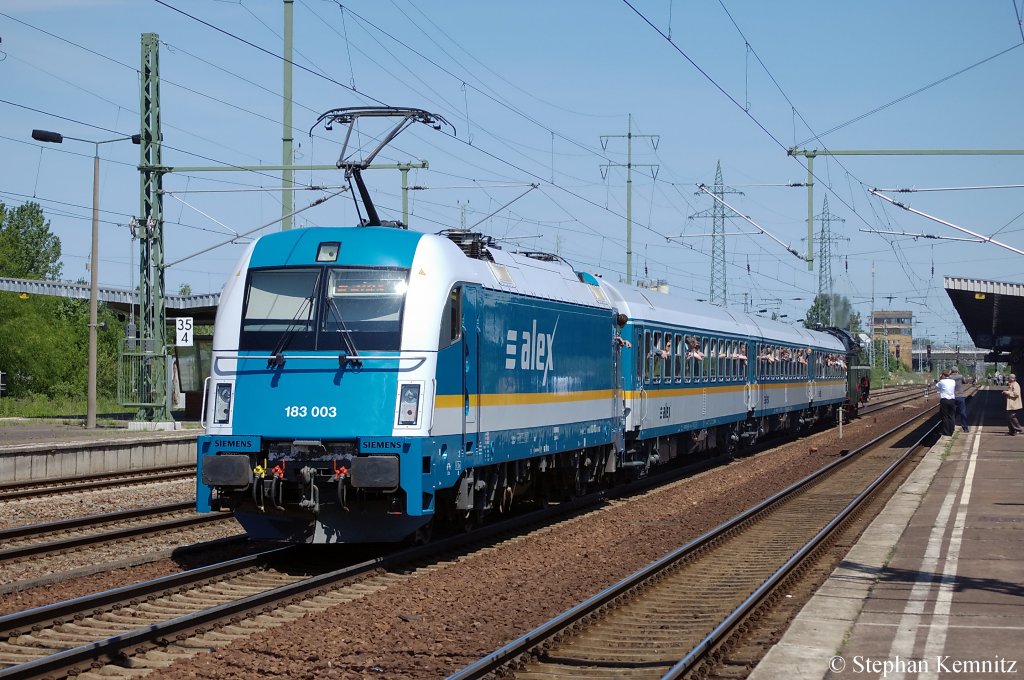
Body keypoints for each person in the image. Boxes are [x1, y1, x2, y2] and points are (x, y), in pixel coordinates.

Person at [935, 369, 956, 436]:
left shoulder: (941, 382)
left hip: (944, 400)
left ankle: (946, 432)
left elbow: (937, 387)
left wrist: (940, 378)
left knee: (945, 416)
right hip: (952, 400)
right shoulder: (953, 381)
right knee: (951, 415)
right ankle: (952, 430)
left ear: (943, 375)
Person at [949, 367, 968, 432]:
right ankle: (965, 428)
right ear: (957, 371)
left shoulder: (950, 377)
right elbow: (965, 382)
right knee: (963, 412)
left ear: (951, 371)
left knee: (952, 413)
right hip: (960, 396)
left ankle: (952, 428)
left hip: (953, 397)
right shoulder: (960, 376)